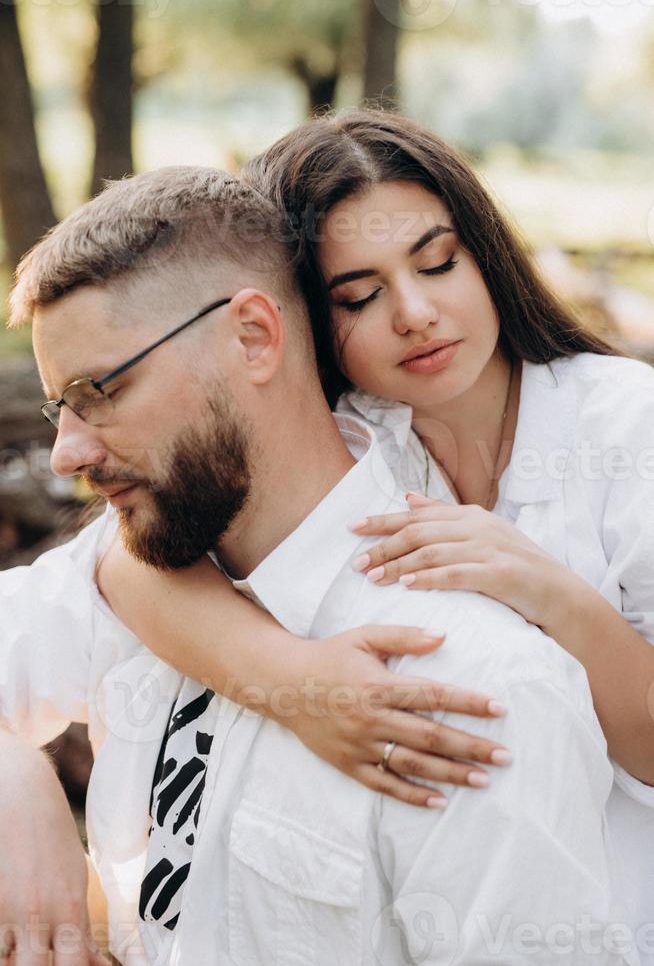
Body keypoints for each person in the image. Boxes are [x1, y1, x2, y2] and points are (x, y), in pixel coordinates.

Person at [0, 165, 631, 964]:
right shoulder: (135, 571)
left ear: (256, 337)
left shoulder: (473, 690)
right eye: (62, 407)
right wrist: (15, 784)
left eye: (102, 391)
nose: (67, 455)